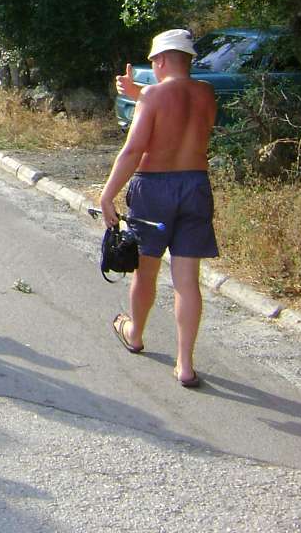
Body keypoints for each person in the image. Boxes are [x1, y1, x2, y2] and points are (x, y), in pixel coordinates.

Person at [99, 28, 218, 388]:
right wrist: (141, 96)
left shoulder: (153, 95)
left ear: (161, 60)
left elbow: (134, 150)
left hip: (154, 190)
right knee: (187, 280)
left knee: (145, 270)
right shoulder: (207, 94)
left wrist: (107, 195)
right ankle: (185, 364)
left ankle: (134, 333)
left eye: (153, 61)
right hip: (195, 185)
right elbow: (181, 119)